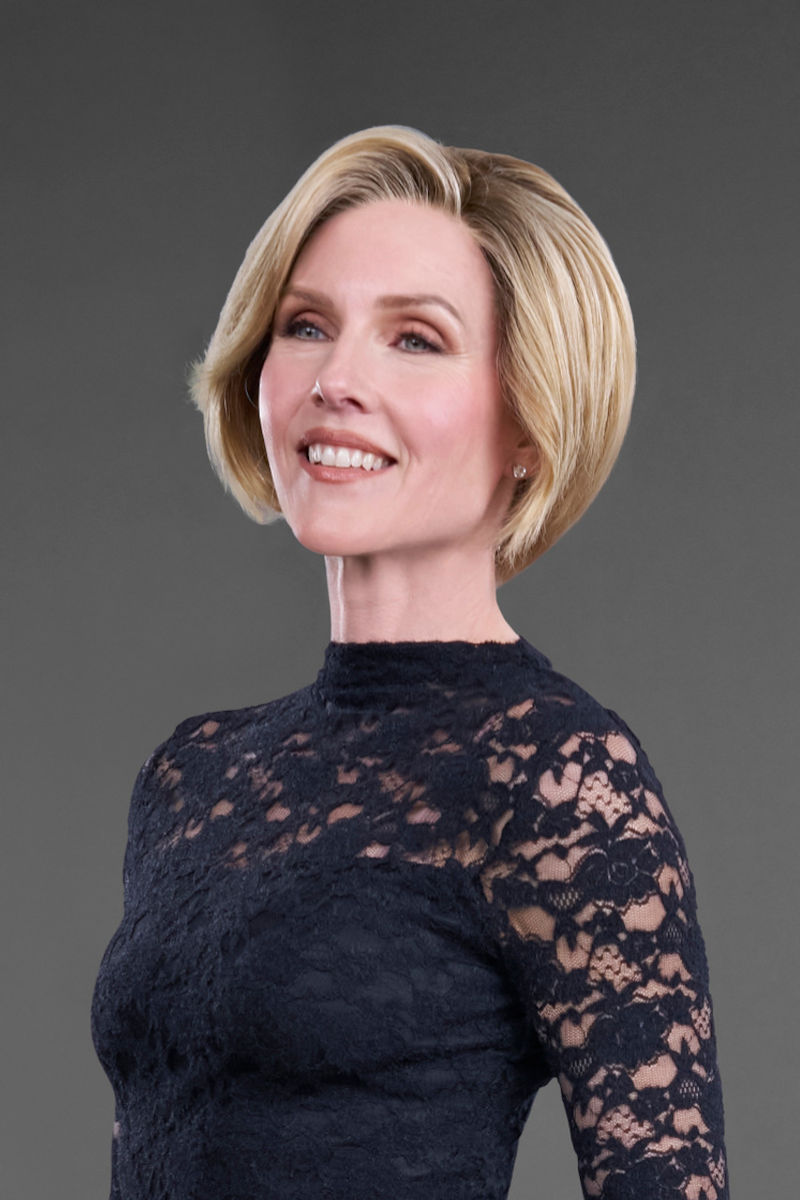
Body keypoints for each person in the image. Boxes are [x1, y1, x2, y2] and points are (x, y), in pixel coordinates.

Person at [91, 125, 729, 1199]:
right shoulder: (190, 776)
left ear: (530, 420)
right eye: (306, 326)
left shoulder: (555, 775)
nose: (335, 379)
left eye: (415, 339)